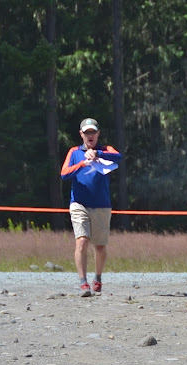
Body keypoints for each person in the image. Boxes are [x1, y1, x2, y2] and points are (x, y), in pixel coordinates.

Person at [61, 118, 122, 297]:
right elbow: (64, 174)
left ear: (98, 134)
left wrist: (98, 155)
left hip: (102, 205)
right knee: (82, 240)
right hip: (79, 204)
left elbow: (118, 157)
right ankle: (83, 283)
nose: (90, 136)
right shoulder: (74, 152)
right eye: (86, 132)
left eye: (92, 132)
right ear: (81, 134)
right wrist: (82, 164)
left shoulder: (105, 150)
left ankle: (98, 278)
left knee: (100, 247)